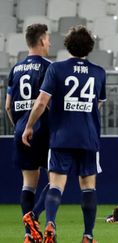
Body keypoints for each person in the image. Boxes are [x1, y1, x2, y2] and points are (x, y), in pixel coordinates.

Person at [22, 26, 106, 243]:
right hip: (88, 137)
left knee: (56, 184)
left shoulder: (56, 69)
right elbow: (99, 104)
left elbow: (41, 102)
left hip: (61, 136)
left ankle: (49, 222)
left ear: (67, 45)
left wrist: (29, 126)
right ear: (90, 47)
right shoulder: (99, 72)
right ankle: (87, 236)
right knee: (88, 186)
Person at [5, 23, 52, 243]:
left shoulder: (15, 69)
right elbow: (48, 102)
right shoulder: (49, 67)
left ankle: (28, 234)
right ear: (42, 41)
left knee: (28, 183)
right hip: (45, 130)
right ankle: (35, 217)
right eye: (48, 39)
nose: (49, 43)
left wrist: (20, 126)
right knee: (57, 180)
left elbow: (7, 106)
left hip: (20, 130)